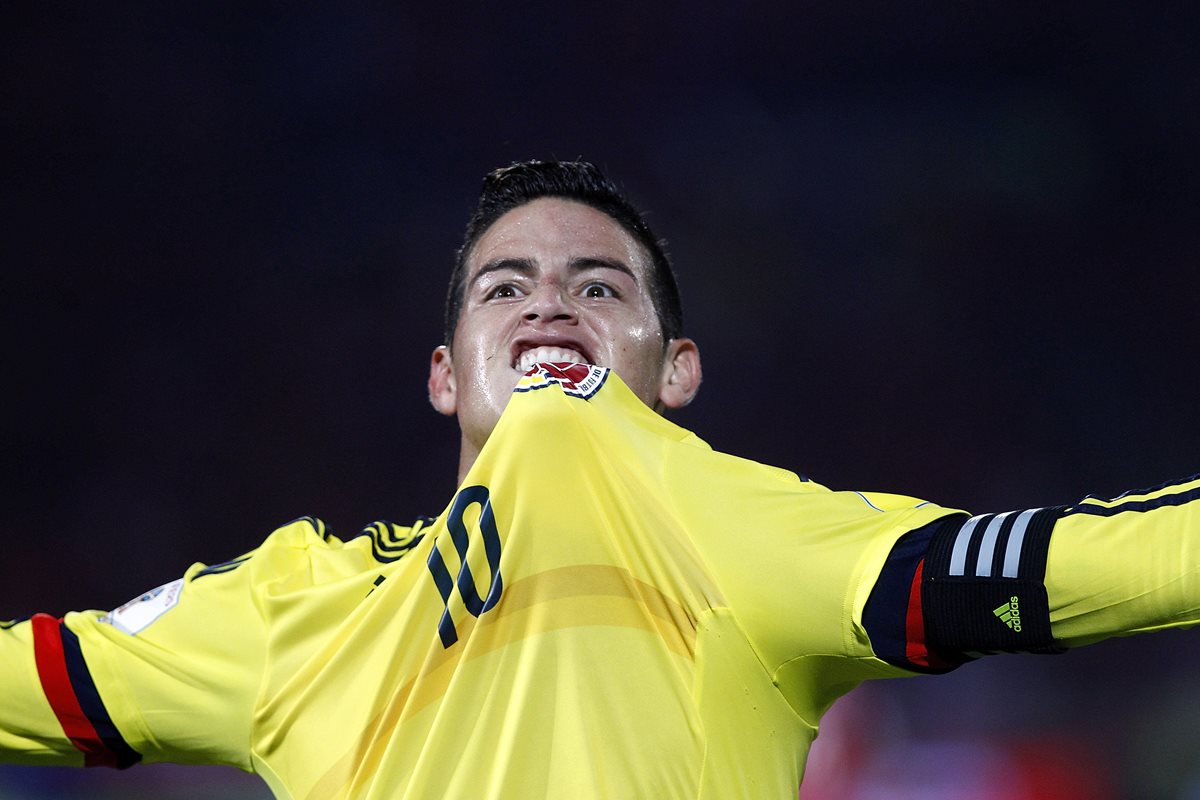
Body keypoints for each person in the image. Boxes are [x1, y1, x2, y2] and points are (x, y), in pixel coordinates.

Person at [1, 159, 1197, 799]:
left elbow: (1071, 563)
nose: (550, 301)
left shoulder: (740, 533)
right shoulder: (286, 608)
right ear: (442, 373)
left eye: (601, 284)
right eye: (503, 285)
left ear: (676, 370)